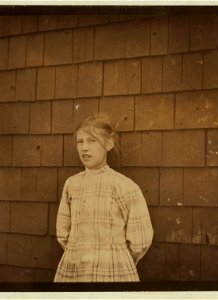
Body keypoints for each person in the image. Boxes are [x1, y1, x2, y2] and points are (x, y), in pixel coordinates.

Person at [54, 113, 153, 282]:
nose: (84, 148)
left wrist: (115, 258)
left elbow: (140, 240)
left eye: (92, 141)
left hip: (113, 271)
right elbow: (63, 233)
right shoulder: (72, 184)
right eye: (80, 141)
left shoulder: (124, 186)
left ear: (108, 144)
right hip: (75, 269)